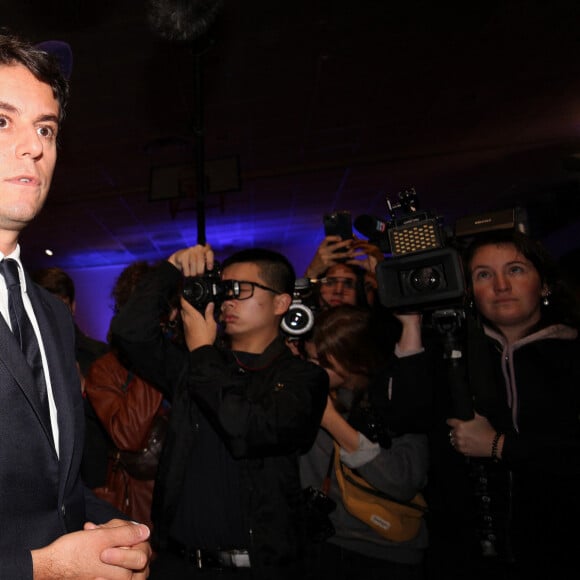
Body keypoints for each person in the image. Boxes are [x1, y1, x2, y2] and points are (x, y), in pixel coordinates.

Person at [0, 32, 150, 578]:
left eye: (46, 128)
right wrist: (41, 568)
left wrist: (116, 535)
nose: (35, 146)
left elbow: (54, 492)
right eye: (1, 121)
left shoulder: (54, 317)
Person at [110, 245, 329, 579]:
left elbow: (249, 430)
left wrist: (201, 351)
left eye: (242, 290)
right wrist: (170, 269)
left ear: (281, 303)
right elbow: (129, 333)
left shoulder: (302, 377)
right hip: (177, 562)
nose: (229, 300)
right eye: (224, 289)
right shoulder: (195, 366)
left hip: (255, 566)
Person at [425, 230, 580, 579]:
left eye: (515, 270)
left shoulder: (572, 354)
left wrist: (498, 445)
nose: (501, 285)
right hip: (471, 554)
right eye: (484, 275)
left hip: (561, 547)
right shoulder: (451, 360)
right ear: (469, 292)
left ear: (544, 285)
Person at [300, 304, 430, 580]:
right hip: (326, 545)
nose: (312, 370)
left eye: (322, 363)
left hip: (385, 551)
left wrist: (332, 421)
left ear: (356, 362)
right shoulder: (316, 393)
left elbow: (403, 481)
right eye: (308, 359)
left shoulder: (396, 400)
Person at [85, 261, 169, 528]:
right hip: (143, 507)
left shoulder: (187, 356)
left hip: (194, 502)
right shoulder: (106, 369)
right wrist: (150, 357)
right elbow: (129, 435)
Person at [31, 266, 111, 489]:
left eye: (61, 305)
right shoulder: (24, 354)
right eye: (46, 306)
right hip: (42, 479)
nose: (54, 314)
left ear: (73, 307)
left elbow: (115, 424)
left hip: (92, 475)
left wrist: (86, 389)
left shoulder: (99, 357)